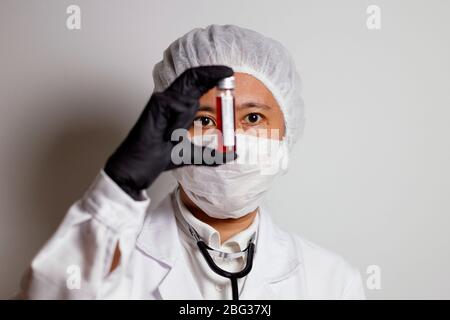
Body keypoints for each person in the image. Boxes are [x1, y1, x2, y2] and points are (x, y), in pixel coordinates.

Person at [16, 24, 365, 299]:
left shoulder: (332, 282)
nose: (230, 142)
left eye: (253, 119)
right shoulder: (108, 263)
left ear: (286, 132)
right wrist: (118, 188)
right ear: (170, 133)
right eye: (204, 120)